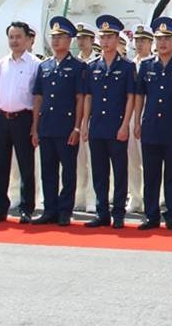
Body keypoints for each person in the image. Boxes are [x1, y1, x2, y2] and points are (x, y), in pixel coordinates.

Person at [135, 17, 172, 230]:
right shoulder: (147, 65)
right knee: (150, 173)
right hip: (150, 125)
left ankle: (171, 214)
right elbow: (140, 95)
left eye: (167, 39)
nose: (162, 43)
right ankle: (151, 215)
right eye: (159, 39)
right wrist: (138, 121)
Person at [82, 15, 136, 229]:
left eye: (109, 37)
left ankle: (119, 213)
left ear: (117, 39)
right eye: (102, 37)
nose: (105, 41)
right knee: (99, 172)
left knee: (120, 171)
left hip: (117, 126)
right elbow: (88, 97)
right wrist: (85, 123)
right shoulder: (92, 66)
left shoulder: (127, 67)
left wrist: (125, 125)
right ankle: (101, 211)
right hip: (97, 126)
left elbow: (131, 97)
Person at [31, 17, 86, 226]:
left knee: (68, 171)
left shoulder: (78, 67)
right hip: (47, 126)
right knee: (48, 170)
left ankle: (65, 210)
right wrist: (34, 127)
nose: (55, 41)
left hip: (66, 126)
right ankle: (49, 209)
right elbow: (38, 97)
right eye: (53, 37)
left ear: (69, 40)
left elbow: (80, 98)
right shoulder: (44, 66)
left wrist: (77, 127)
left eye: (60, 37)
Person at [0, 21, 40, 223]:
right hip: (2, 117)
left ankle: (27, 209)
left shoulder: (35, 65)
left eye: (19, 37)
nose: (15, 41)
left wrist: (35, 126)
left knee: (26, 166)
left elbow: (37, 98)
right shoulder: (2, 64)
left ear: (28, 39)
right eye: (11, 37)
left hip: (23, 118)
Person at [126, 24, 153, 213]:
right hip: (130, 115)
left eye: (144, 40)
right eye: (137, 40)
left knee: (150, 161)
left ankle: (153, 196)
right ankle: (135, 197)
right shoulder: (128, 65)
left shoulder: (153, 64)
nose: (140, 44)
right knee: (132, 160)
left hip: (150, 115)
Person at [73, 23, 96, 213]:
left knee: (92, 160)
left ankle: (92, 198)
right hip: (75, 116)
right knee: (78, 160)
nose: (81, 42)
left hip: (93, 116)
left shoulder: (95, 63)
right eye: (78, 38)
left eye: (84, 38)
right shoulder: (74, 62)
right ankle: (78, 196)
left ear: (91, 40)